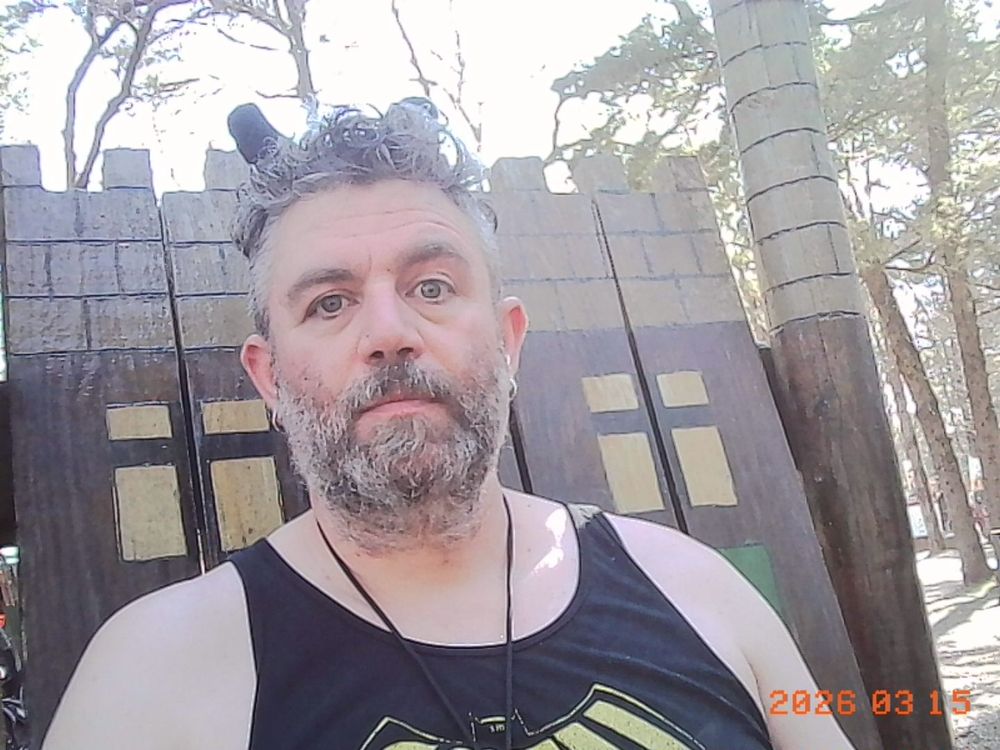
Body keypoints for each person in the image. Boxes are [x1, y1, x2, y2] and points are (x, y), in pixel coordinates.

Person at [43, 99, 855, 750]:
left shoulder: (698, 591)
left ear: (508, 340)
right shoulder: (153, 677)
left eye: (431, 287)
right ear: (270, 378)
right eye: (330, 302)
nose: (389, 332)